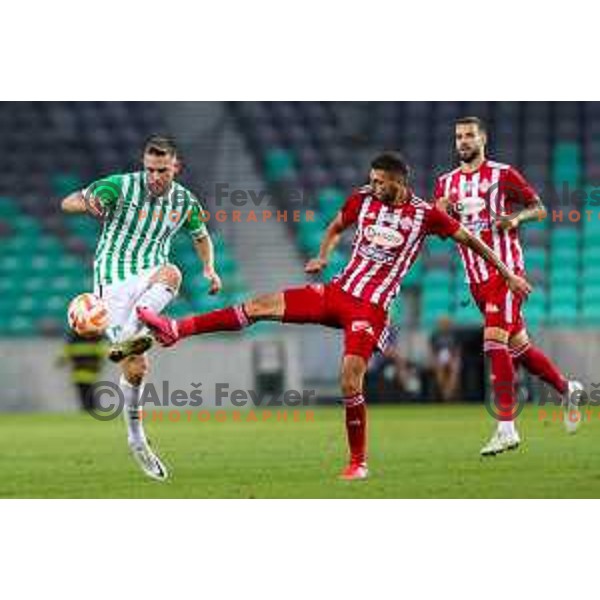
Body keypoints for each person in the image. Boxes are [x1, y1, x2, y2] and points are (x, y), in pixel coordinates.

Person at [137, 152, 531, 481]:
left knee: (348, 378)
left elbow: (473, 240)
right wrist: (324, 253)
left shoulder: (426, 215)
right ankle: (176, 328)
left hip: (371, 307)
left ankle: (358, 462)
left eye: (380, 181)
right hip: (338, 292)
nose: (373, 186)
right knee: (258, 306)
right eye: (371, 180)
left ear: (399, 181)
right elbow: (337, 225)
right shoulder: (362, 199)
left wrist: (508, 273)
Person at [60, 135, 222, 481]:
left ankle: (145, 322)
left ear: (174, 167)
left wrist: (210, 268)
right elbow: (68, 201)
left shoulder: (184, 200)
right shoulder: (120, 186)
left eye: (162, 170)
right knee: (136, 370)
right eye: (149, 169)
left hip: (150, 274)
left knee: (173, 272)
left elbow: (200, 236)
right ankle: (136, 439)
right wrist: (90, 204)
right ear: (143, 165)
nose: (154, 177)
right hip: (113, 281)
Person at [433, 116, 583, 456]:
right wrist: (439, 214)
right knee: (521, 350)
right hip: (475, 279)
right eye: (459, 137)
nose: (463, 141)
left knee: (493, 344)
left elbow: (540, 209)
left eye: (470, 135)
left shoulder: (503, 174)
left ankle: (506, 428)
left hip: (506, 273)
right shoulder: (444, 184)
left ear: (482, 139)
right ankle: (567, 388)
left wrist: (514, 218)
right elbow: (443, 231)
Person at [56, 330, 108, 411]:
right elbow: (102, 353)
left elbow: (64, 356)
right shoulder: (95, 338)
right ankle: (91, 410)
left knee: (84, 394)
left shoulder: (72, 339)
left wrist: (60, 361)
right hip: (90, 373)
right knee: (89, 395)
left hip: (79, 374)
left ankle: (88, 410)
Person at [429, 316, 461, 403]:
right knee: (440, 370)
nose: (444, 325)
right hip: (439, 357)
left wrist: (455, 359)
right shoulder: (435, 335)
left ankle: (448, 393)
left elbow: (457, 350)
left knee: (454, 370)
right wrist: (433, 360)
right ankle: (445, 393)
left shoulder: (454, 335)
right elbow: (432, 351)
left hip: (452, 357)